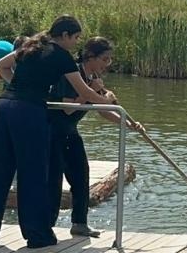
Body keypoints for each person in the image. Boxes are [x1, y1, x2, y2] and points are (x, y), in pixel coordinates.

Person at [0, 15, 115, 249]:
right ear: (65, 35)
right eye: (75, 37)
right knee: (32, 174)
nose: (76, 43)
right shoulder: (61, 56)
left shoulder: (30, 46)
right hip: (28, 112)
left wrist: (19, 84)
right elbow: (85, 93)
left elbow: (1, 67)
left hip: (4, 106)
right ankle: (38, 236)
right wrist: (106, 101)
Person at [48, 37, 140, 239]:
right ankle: (46, 227)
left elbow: (103, 111)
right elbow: (67, 109)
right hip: (53, 133)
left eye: (110, 60)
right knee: (53, 182)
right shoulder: (72, 74)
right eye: (105, 59)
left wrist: (127, 124)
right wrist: (92, 92)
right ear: (90, 57)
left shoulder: (94, 77)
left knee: (81, 177)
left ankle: (79, 223)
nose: (108, 64)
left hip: (70, 133)